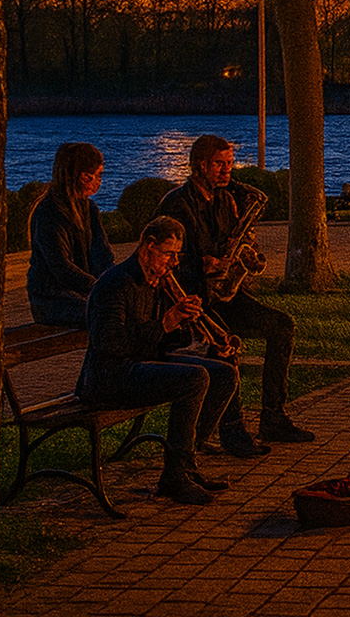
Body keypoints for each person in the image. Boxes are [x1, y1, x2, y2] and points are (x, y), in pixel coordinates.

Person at [157, 135, 315, 448]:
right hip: (191, 297)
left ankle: (273, 417)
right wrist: (203, 264)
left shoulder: (225, 199)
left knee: (282, 326)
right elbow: (164, 260)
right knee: (225, 341)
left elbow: (233, 242)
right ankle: (232, 430)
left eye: (230, 164)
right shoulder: (177, 203)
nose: (227, 171)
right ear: (201, 165)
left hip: (224, 293)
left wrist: (244, 251)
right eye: (220, 164)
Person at [76, 216, 239, 506]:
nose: (174, 262)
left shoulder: (158, 282)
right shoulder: (117, 284)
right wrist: (166, 323)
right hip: (108, 376)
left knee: (223, 373)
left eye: (178, 255)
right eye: (168, 253)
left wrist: (186, 325)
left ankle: (186, 463)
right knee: (194, 378)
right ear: (148, 247)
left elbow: (162, 340)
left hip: (140, 364)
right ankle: (175, 476)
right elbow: (109, 344)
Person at [26, 142, 115, 327]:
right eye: (97, 175)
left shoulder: (89, 209)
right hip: (51, 299)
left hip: (83, 293)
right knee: (106, 315)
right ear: (84, 176)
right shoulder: (48, 213)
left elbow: (102, 256)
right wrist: (97, 288)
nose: (99, 181)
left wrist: (115, 281)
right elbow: (61, 267)